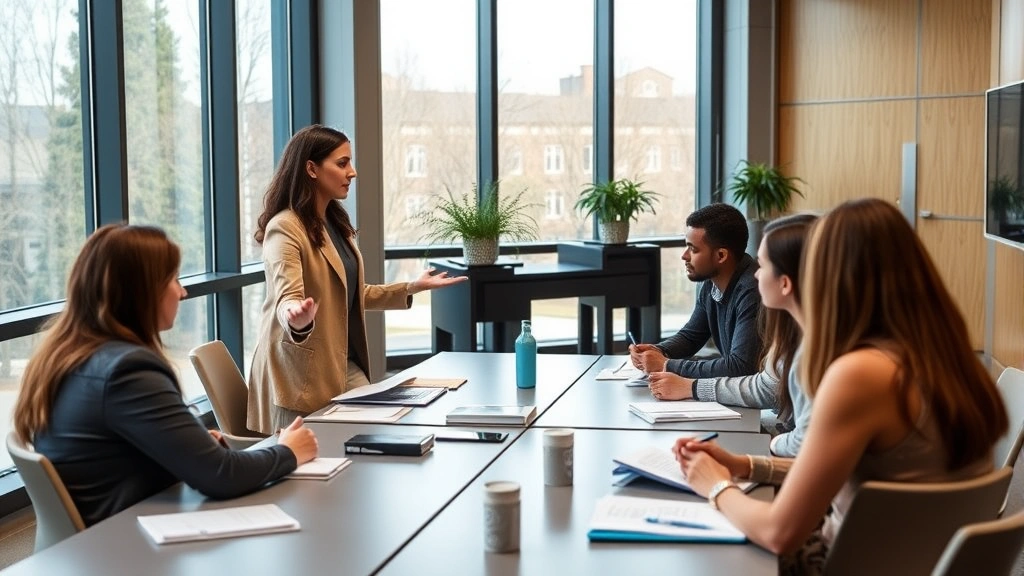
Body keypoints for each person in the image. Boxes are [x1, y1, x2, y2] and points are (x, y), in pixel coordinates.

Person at [674, 198, 1007, 574]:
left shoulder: (860, 374)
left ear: (835, 272)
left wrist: (716, 487)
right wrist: (746, 465)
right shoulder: (947, 357)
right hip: (920, 559)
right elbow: (864, 477)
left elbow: (779, 532)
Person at [13, 224, 319, 527]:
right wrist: (288, 451)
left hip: (96, 547)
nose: (182, 291)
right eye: (172, 279)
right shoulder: (126, 371)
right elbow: (222, 476)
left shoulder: (69, 357)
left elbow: (109, 452)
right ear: (141, 292)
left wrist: (184, 441)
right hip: (128, 546)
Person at [248, 125, 466, 435]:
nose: (352, 172)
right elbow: (288, 298)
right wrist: (297, 318)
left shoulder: (333, 223)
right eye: (342, 163)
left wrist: (411, 287)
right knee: (320, 459)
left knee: (379, 431)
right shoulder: (285, 228)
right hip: (300, 373)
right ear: (311, 168)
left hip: (340, 363)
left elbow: (347, 293)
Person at [647, 214, 815, 454]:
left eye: (764, 266)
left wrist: (674, 369)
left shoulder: (752, 294)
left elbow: (803, 442)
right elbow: (766, 386)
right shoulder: (788, 327)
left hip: (785, 438)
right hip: (783, 430)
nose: (757, 274)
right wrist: (660, 352)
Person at [630, 202, 763, 378]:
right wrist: (657, 350)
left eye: (693, 249)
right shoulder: (711, 283)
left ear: (721, 255)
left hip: (761, 402)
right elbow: (691, 337)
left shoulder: (752, 290)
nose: (684, 256)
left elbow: (740, 366)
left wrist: (667, 365)